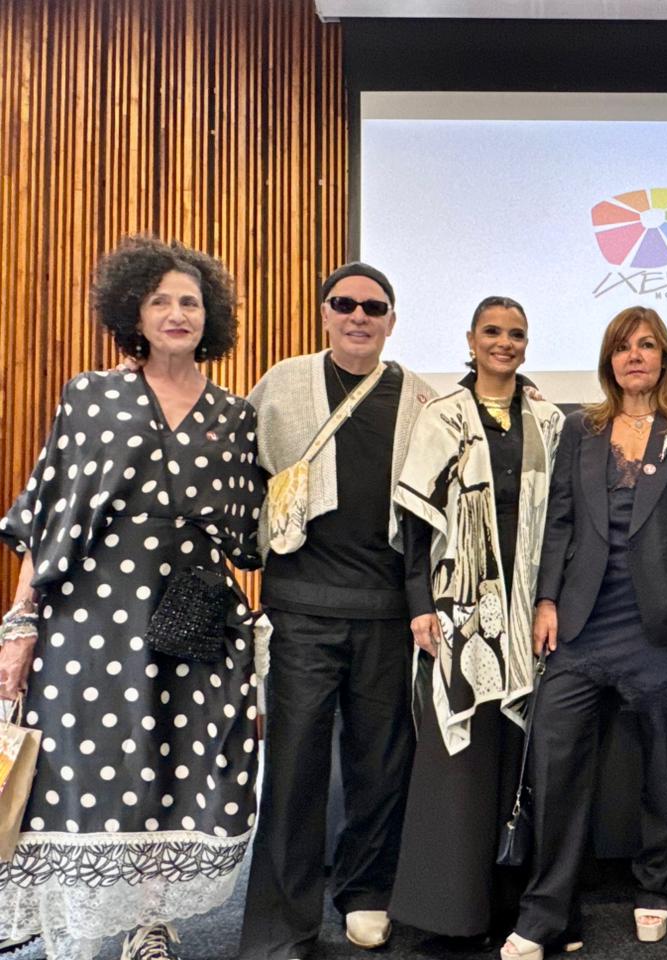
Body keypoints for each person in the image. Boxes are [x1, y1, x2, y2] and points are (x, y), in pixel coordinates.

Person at [0, 236, 264, 960]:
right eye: (160, 301)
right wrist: (20, 623)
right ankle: (84, 924)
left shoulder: (235, 415)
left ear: (211, 317)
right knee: (89, 763)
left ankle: (151, 921)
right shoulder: (92, 395)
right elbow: (48, 517)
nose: (177, 313)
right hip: (93, 613)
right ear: (133, 313)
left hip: (195, 613)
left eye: (191, 302)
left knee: (177, 763)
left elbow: (250, 534)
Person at [500, 306, 667, 960]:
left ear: (664, 357)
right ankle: (547, 911)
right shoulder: (581, 427)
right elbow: (560, 520)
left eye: (647, 345)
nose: (635, 356)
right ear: (609, 360)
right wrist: (546, 599)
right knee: (556, 762)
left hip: (662, 624)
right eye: (623, 347)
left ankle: (656, 885)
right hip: (582, 621)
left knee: (663, 764)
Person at [240, 263, 434, 960]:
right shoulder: (282, 383)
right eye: (344, 304)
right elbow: (240, 471)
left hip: (386, 611)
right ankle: (280, 926)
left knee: (380, 766)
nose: (358, 316)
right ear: (324, 313)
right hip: (300, 609)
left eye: (373, 307)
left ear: (391, 320)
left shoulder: (420, 397)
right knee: (293, 770)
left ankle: (365, 892)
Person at [388, 297, 563, 948]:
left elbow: (563, 522)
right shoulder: (444, 416)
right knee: (457, 757)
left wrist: (549, 599)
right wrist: (419, 605)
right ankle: (448, 917)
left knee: (518, 759)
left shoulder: (548, 419)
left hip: (527, 612)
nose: (504, 342)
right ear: (470, 339)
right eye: (492, 331)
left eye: (516, 333)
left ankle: (512, 911)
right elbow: (415, 525)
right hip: (458, 611)